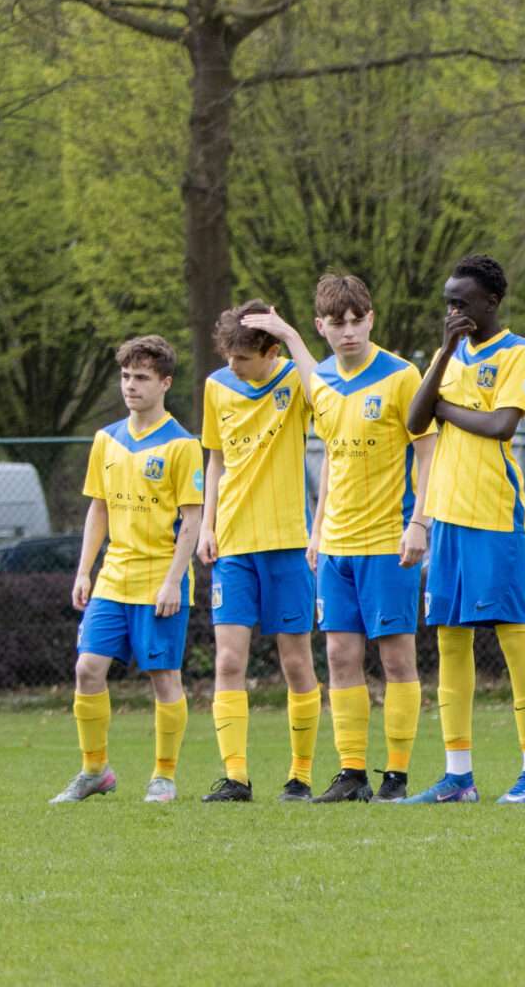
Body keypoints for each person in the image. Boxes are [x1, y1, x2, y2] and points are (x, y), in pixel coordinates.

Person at [399, 254, 525, 805]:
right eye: (447, 304)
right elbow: (415, 420)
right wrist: (442, 355)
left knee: (512, 634)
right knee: (450, 639)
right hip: (446, 516)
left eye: (461, 303)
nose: (453, 312)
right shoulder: (449, 355)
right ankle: (458, 775)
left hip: (493, 514)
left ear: (490, 302)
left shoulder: (517, 351)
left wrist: (446, 408)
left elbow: (500, 424)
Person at [53, 335, 204, 805]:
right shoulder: (107, 439)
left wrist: (174, 580)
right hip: (113, 578)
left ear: (165, 383)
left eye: (141, 377)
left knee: (163, 677)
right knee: (87, 669)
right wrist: (84, 571)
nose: (130, 386)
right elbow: (98, 508)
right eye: (125, 376)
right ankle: (94, 770)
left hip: (160, 580)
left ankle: (164, 776)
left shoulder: (182, 445)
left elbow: (192, 519)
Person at [304, 274, 435, 804]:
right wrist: (317, 530)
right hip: (336, 544)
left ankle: (396, 776)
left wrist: (420, 523)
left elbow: (427, 453)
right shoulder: (320, 382)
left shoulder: (403, 376)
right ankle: (351, 772)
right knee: (339, 656)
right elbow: (331, 459)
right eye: (338, 323)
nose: (349, 331)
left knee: (397, 658)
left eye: (357, 320)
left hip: (388, 541)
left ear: (371, 319)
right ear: (321, 327)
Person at [198, 300, 324, 803]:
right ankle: (235, 777)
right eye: (228, 356)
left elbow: (326, 397)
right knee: (229, 661)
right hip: (233, 545)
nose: (233, 365)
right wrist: (207, 526)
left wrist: (292, 336)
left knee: (296, 662)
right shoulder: (216, 386)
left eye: (243, 357)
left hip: (287, 543)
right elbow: (215, 459)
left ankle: (300, 777)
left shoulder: (294, 377)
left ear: (270, 353)